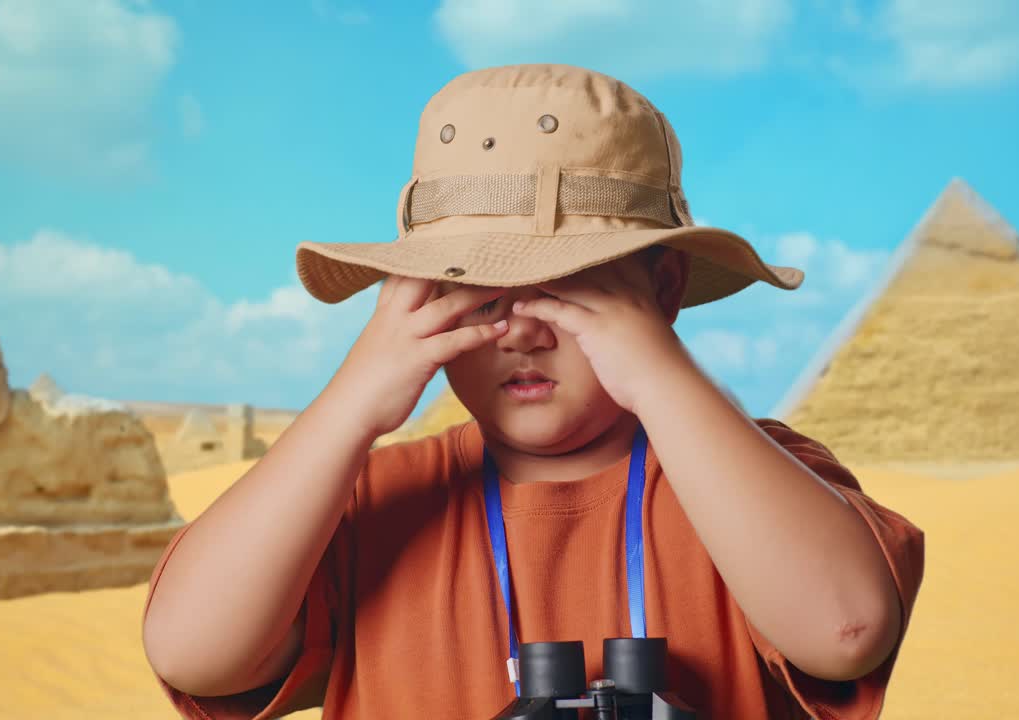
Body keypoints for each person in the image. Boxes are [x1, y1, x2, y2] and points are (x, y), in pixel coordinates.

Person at [141, 63, 925, 720]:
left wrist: (661, 372)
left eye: (571, 291)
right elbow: (193, 653)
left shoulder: (756, 474)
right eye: (473, 292)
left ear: (665, 288)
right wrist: (350, 404)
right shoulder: (364, 502)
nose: (520, 331)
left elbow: (846, 627)